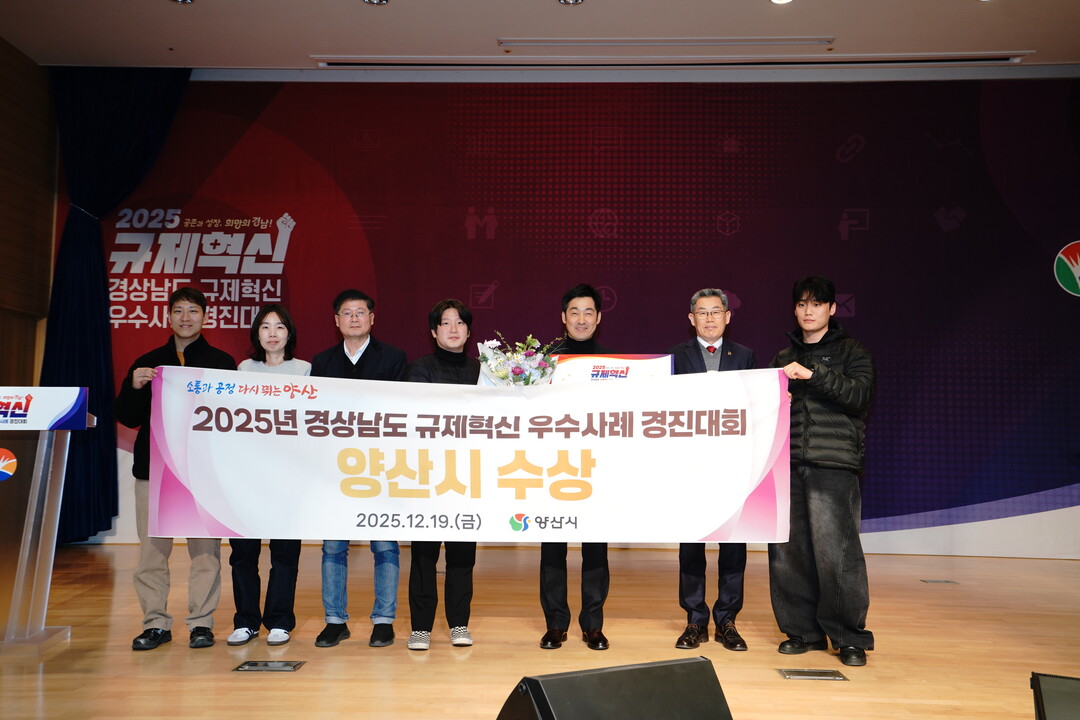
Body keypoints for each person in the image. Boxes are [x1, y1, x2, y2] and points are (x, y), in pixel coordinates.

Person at [115, 287, 236, 651]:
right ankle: (155, 623)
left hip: (201, 473)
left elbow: (232, 420)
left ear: (205, 317)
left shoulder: (222, 363)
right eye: (179, 311)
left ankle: (201, 624)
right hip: (154, 472)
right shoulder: (149, 363)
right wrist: (135, 386)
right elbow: (127, 416)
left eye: (193, 311)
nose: (186, 318)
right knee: (151, 553)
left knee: (206, 553)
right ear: (168, 317)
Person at [769, 276, 875, 667]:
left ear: (832, 308)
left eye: (816, 304)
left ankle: (849, 637)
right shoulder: (781, 358)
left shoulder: (852, 351)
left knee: (837, 555)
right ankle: (803, 632)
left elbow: (860, 396)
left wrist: (815, 375)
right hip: (786, 466)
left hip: (833, 466)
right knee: (789, 554)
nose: (808, 311)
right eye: (801, 304)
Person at [311, 289, 407, 648]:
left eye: (360, 312)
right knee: (333, 547)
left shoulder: (394, 358)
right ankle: (335, 620)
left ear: (372, 318)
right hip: (334, 469)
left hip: (380, 467)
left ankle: (383, 620)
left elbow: (400, 412)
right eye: (347, 313)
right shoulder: (322, 362)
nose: (354, 318)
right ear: (336, 320)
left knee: (385, 545)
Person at [669, 288, 756, 652]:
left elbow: (756, 405)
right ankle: (695, 620)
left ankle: (727, 620)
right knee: (691, 545)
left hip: (733, 466)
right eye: (702, 312)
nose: (709, 319)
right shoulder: (675, 357)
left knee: (733, 545)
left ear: (727, 317)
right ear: (691, 319)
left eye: (715, 312)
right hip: (691, 466)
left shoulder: (746, 356)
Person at [226, 304, 310, 648]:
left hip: (288, 477)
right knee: (243, 553)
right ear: (256, 334)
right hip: (248, 477)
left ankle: (279, 621)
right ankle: (245, 621)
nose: (272, 333)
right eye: (265, 327)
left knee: (284, 553)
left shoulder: (304, 370)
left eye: (279, 327)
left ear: (289, 333)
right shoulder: (244, 369)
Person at [404, 299, 481, 651]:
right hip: (428, 475)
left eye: (459, 322)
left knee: (463, 554)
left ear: (468, 330)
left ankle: (459, 623)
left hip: (468, 474)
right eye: (445, 323)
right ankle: (420, 627)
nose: (453, 328)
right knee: (424, 555)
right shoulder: (420, 369)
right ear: (434, 332)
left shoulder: (484, 372)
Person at [540, 283, 612, 651]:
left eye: (588, 312)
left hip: (595, 466)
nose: (581, 319)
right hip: (553, 465)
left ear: (598, 318)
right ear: (563, 318)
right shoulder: (542, 364)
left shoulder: (614, 365)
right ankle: (556, 624)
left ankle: (593, 625)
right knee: (552, 547)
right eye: (574, 312)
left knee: (595, 549)